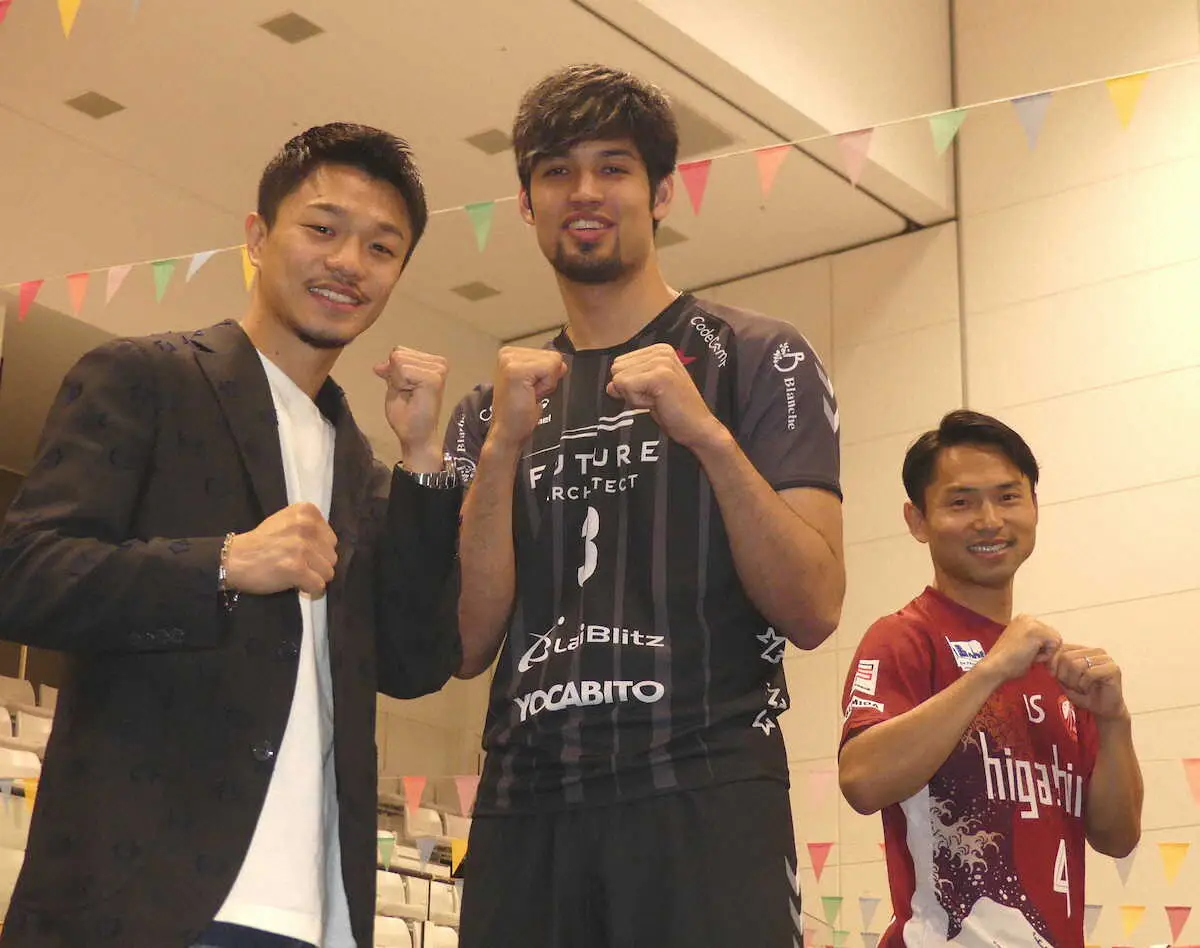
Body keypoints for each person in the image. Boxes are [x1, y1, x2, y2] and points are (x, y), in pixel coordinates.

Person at [0, 123, 464, 948]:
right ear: (256, 237)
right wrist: (220, 564)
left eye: (381, 248)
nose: (349, 263)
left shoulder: (362, 468)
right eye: (322, 229)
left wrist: (424, 461)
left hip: (321, 914)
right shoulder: (145, 378)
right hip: (144, 903)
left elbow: (416, 662)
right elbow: (25, 573)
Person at [446, 64, 846, 948]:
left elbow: (815, 603)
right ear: (526, 203)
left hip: (706, 791)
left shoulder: (761, 357)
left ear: (663, 192)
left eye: (614, 167)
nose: (585, 192)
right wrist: (501, 449)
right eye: (557, 171)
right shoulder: (490, 410)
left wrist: (708, 437)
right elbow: (467, 644)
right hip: (524, 806)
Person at [838, 409, 1143, 947]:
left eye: (1008, 497)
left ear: (1034, 507)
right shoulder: (904, 637)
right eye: (961, 502)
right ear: (917, 521)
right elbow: (862, 781)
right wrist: (991, 669)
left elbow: (1117, 838)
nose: (989, 520)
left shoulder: (1055, 669)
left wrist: (1114, 720)